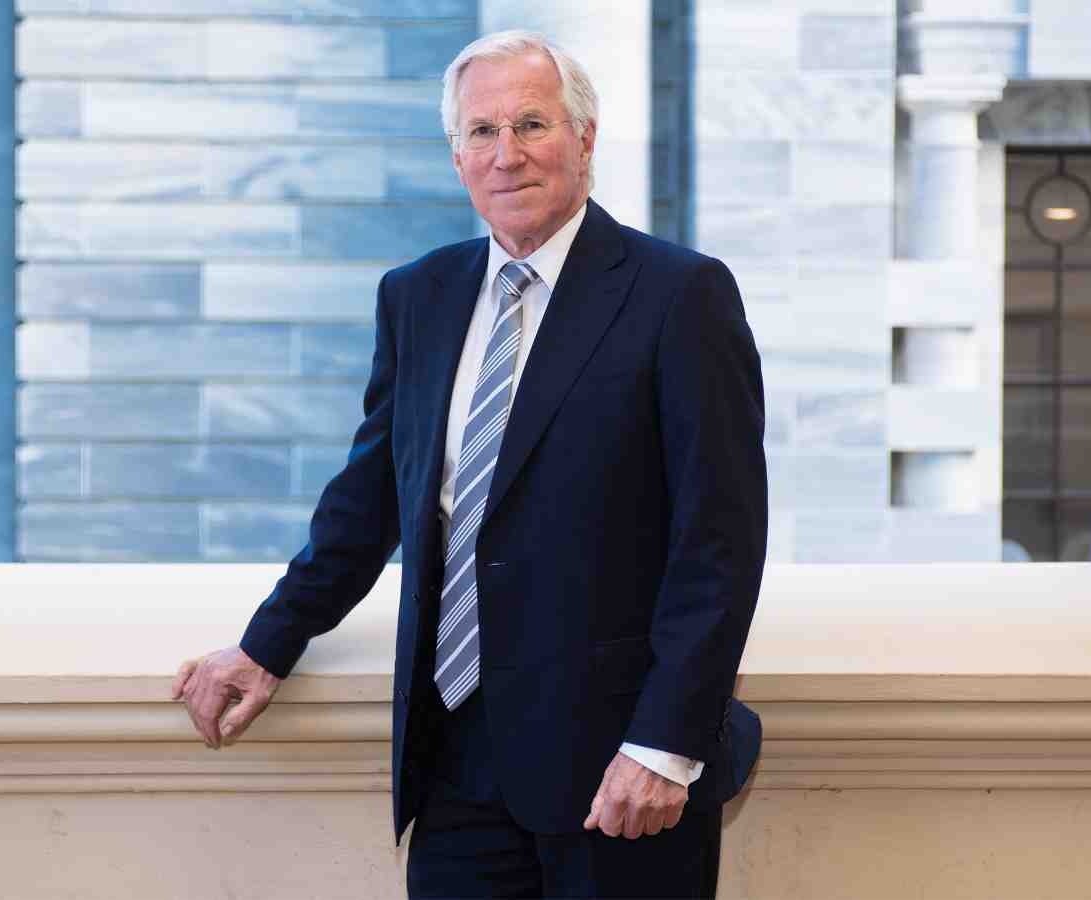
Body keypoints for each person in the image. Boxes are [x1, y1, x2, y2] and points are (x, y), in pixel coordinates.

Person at [173, 30, 767, 899]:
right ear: (457, 158)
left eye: (532, 123)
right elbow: (372, 496)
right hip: (452, 759)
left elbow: (719, 538)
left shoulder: (680, 294)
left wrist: (665, 747)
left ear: (585, 138)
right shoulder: (419, 294)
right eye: (481, 132)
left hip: (617, 770)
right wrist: (268, 644)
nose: (507, 154)